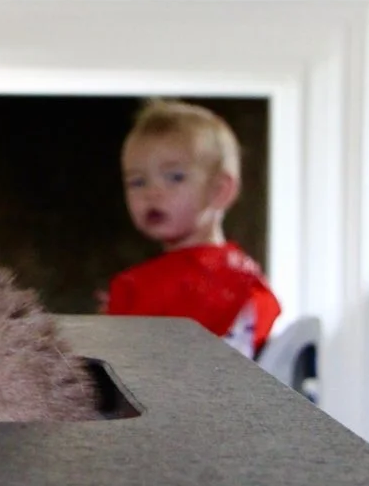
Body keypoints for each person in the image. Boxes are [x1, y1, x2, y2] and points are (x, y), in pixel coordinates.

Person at [96, 99, 281, 357]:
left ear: (220, 191)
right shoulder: (248, 275)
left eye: (175, 177)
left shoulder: (142, 287)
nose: (152, 193)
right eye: (137, 182)